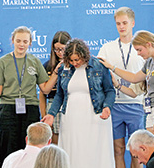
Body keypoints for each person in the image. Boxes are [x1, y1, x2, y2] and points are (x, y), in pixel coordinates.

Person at [0, 26, 60, 162]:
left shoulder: (34, 61)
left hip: (30, 108)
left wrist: (55, 73)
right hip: (8, 108)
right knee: (8, 148)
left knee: (31, 149)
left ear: (30, 43)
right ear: (12, 41)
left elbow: (46, 89)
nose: (21, 44)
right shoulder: (3, 62)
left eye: (25, 41)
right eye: (18, 41)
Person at [99, 30, 154, 152]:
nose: (138, 54)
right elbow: (134, 78)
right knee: (153, 156)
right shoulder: (150, 62)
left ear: (149, 44)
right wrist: (112, 68)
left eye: (139, 50)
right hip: (152, 111)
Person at [42, 38, 116, 168]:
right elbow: (59, 95)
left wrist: (107, 107)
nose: (74, 63)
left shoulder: (99, 65)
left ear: (85, 55)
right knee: (73, 150)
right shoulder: (63, 69)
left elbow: (110, 90)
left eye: (77, 60)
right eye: (71, 60)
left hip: (96, 117)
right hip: (70, 118)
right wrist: (51, 114)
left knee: (95, 152)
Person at [97, 6, 145, 168]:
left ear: (133, 23)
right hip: (115, 105)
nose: (121, 27)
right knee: (118, 149)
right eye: (118, 23)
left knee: (137, 151)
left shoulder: (142, 49)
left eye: (125, 23)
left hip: (136, 104)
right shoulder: (107, 48)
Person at [39, 31, 71, 144]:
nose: (60, 53)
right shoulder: (48, 66)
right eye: (56, 49)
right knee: (55, 143)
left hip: (71, 104)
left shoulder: (76, 65)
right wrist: (44, 115)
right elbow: (43, 93)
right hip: (53, 105)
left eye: (63, 49)